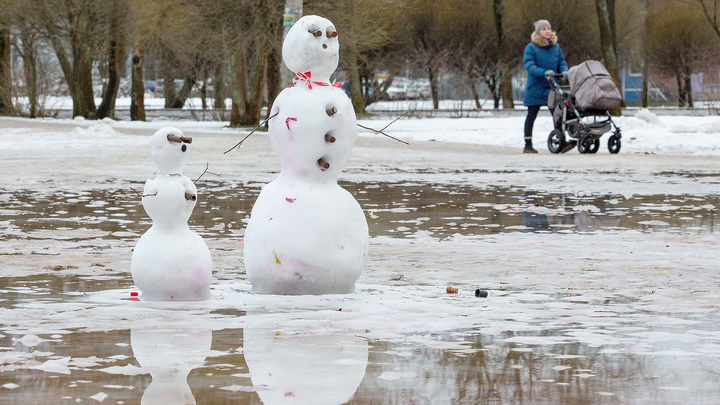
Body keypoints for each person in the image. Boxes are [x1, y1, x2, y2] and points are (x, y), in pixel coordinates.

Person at [522, 19, 568, 153]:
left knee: (556, 114)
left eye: (548, 28)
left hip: (552, 87)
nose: (547, 31)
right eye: (544, 29)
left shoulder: (556, 47)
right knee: (532, 115)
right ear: (538, 32)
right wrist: (544, 73)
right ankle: (528, 144)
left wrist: (564, 70)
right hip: (535, 87)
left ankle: (560, 142)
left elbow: (562, 61)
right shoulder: (531, 48)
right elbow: (530, 66)